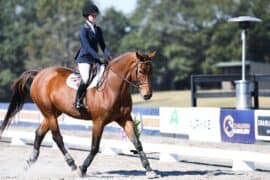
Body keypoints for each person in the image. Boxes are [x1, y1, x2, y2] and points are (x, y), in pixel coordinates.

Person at [74, 2, 112, 110]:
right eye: (92, 15)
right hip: (84, 59)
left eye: (95, 15)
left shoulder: (98, 30)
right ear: (87, 16)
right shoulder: (83, 30)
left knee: (105, 76)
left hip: (95, 59)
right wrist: (98, 58)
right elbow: (87, 47)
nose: (94, 17)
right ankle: (78, 100)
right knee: (86, 79)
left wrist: (109, 57)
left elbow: (103, 46)